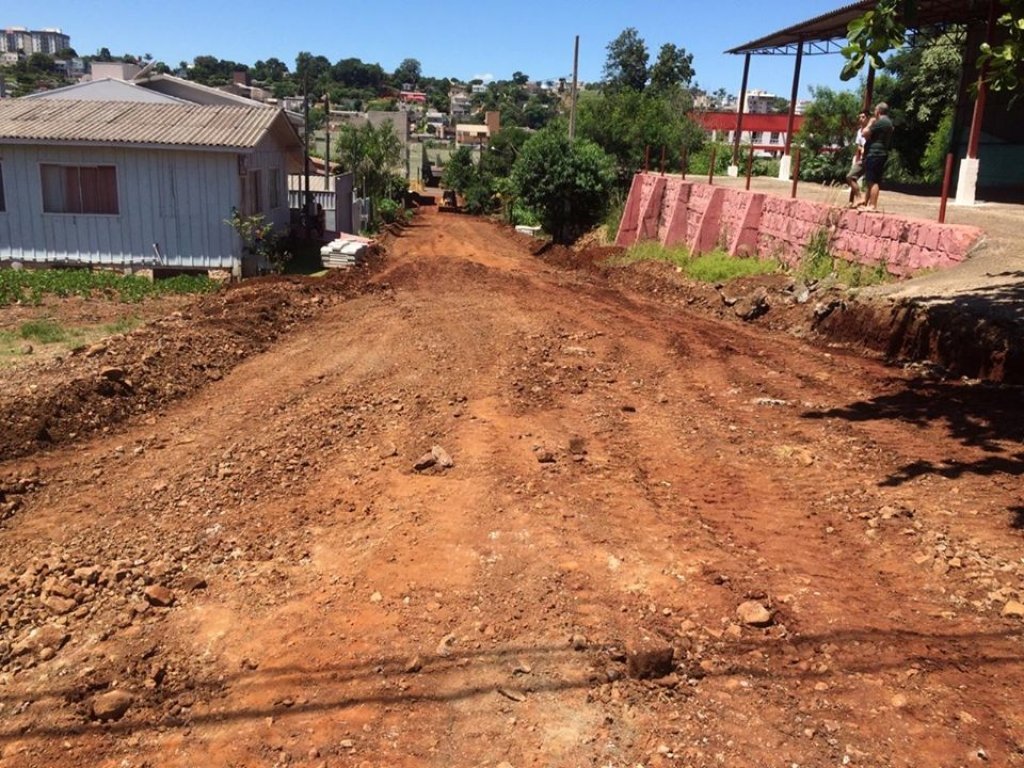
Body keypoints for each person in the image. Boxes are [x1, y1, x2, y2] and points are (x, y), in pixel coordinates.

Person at [860, 102, 894, 211]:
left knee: (872, 180)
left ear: (878, 111)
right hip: (881, 153)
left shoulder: (881, 122)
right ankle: (870, 204)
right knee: (874, 179)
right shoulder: (888, 122)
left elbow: (864, 133)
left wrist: (870, 123)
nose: (874, 113)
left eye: (875, 110)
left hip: (875, 153)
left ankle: (872, 205)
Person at [846, 112, 869, 205]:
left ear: (868, 118)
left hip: (871, 157)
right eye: (860, 117)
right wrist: (862, 148)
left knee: (871, 182)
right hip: (863, 158)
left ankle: (868, 203)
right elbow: (858, 144)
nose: (861, 119)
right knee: (850, 176)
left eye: (863, 117)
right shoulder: (859, 131)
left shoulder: (871, 130)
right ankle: (859, 197)